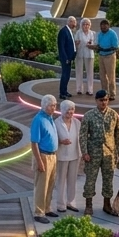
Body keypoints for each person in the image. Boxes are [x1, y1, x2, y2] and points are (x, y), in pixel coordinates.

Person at [80, 89, 119, 217]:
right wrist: (84, 152)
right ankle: (88, 206)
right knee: (90, 180)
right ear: (96, 101)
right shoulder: (89, 115)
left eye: (106, 100)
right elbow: (83, 135)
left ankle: (107, 204)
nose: (104, 103)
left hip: (109, 154)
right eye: (101, 100)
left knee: (108, 180)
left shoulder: (113, 115)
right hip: (93, 154)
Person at [30, 93, 59, 224]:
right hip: (43, 155)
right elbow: (34, 143)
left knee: (50, 184)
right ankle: (38, 212)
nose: (54, 108)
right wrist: (39, 161)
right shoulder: (38, 120)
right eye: (52, 106)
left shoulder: (50, 118)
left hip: (53, 155)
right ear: (45, 106)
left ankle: (47, 208)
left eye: (55, 105)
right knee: (41, 185)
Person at [54, 99, 82, 213]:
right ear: (62, 110)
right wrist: (61, 141)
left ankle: (71, 202)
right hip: (61, 155)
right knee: (60, 180)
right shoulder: (56, 122)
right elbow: (53, 139)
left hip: (75, 155)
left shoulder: (77, 122)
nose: (70, 112)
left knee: (72, 179)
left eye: (72, 109)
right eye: (68, 110)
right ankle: (61, 204)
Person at [96, 19, 119, 100]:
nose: (103, 28)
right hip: (101, 56)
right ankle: (104, 92)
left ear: (108, 26)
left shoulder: (112, 34)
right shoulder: (100, 34)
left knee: (111, 76)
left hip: (110, 56)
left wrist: (105, 49)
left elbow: (116, 47)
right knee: (102, 75)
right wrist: (96, 47)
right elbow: (98, 45)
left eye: (105, 27)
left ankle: (112, 94)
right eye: (102, 27)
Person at [57, 16, 77, 99]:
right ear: (69, 22)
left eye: (75, 22)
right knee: (65, 75)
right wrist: (66, 58)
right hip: (66, 59)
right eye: (73, 22)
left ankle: (65, 91)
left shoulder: (69, 31)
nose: (75, 24)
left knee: (67, 75)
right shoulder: (63, 31)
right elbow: (61, 46)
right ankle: (62, 93)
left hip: (70, 58)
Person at [74, 18, 96, 96]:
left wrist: (91, 45)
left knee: (90, 72)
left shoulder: (92, 33)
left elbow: (95, 44)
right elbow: (75, 43)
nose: (86, 26)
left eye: (87, 24)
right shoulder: (78, 33)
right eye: (84, 24)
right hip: (80, 54)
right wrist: (77, 43)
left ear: (90, 25)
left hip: (89, 54)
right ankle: (79, 89)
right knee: (79, 71)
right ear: (81, 25)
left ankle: (90, 90)